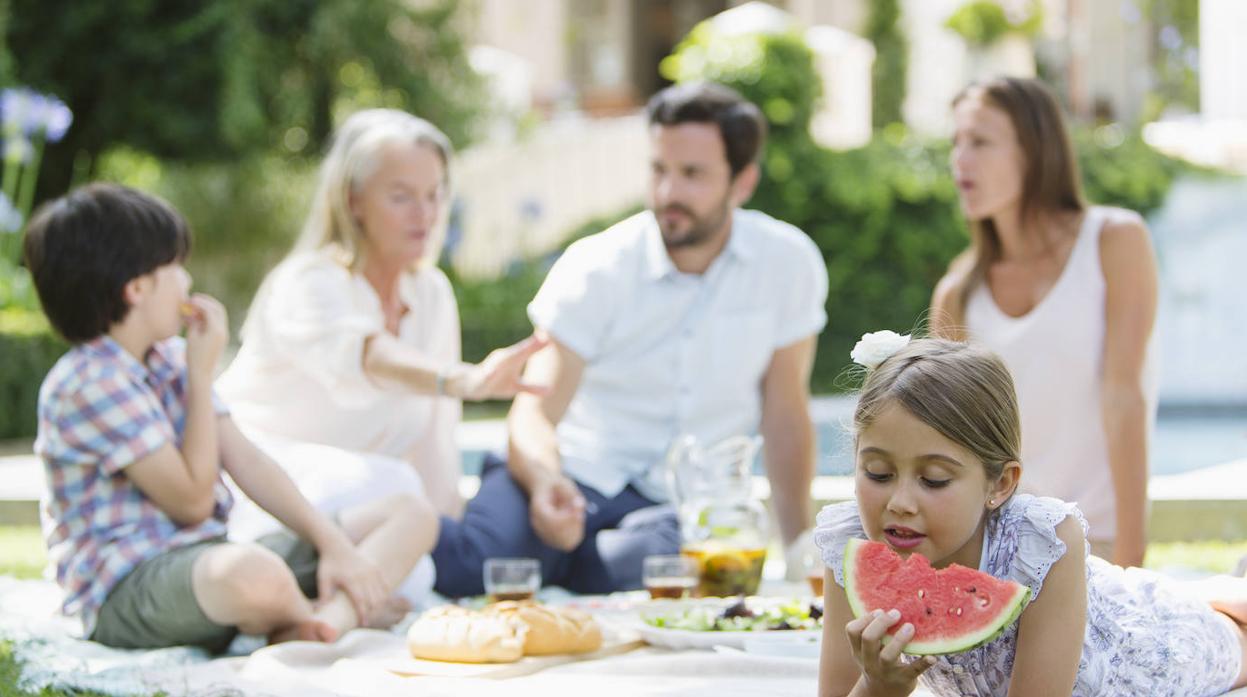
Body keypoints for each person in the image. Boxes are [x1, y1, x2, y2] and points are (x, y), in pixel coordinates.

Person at [431, 81, 829, 596]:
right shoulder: (595, 266)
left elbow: (785, 415)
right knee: (477, 568)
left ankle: (574, 563)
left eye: (692, 175)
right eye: (659, 170)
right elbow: (534, 412)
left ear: (743, 182)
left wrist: (800, 547)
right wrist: (546, 482)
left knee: (666, 566)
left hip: (674, 508)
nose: (668, 194)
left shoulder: (788, 263)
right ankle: (369, 539)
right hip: (570, 473)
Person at [25, 183, 431, 651]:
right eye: (175, 268)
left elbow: (248, 462)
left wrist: (337, 549)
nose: (187, 283)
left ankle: (327, 623)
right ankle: (316, 617)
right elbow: (192, 502)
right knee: (253, 573)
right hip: (126, 590)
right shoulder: (88, 384)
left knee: (408, 511)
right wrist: (201, 376)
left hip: (207, 563)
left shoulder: (170, 359)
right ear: (137, 288)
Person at [216, 110, 546, 601]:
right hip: (264, 492)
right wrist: (464, 379)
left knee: (423, 571)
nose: (425, 213)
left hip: (372, 508)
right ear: (353, 203)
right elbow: (366, 356)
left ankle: (331, 605)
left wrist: (447, 539)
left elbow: (436, 435)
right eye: (401, 196)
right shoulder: (307, 282)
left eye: (435, 195)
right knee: (396, 490)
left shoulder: (430, 293)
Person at [814, 333, 1247, 697]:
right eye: (878, 473)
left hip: (1138, 654)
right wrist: (876, 687)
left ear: (1000, 484)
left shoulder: (1042, 540)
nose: (900, 502)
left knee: (1230, 637)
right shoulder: (849, 543)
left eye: (935, 480)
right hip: (1099, 598)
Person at [930, 76, 1159, 566]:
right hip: (997, 552)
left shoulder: (1114, 242)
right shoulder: (957, 294)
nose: (960, 160)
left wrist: (1132, 561)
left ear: (1034, 152)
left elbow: (1125, 397)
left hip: (1101, 542)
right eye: (956, 143)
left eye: (980, 142)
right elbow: (946, 447)